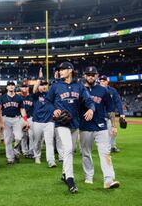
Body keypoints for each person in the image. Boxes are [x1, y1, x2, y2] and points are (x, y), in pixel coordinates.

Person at [46, 62, 95, 194]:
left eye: (63, 69)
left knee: (71, 150)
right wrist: (54, 110)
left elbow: (88, 100)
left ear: (70, 70)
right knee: (67, 148)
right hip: (61, 123)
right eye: (59, 70)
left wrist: (91, 108)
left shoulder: (79, 86)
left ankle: (63, 174)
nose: (60, 72)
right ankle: (70, 179)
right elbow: (48, 101)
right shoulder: (55, 86)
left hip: (75, 123)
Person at [80, 66, 120, 189]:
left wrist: (113, 125)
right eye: (88, 74)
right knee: (86, 153)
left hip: (101, 126)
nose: (91, 76)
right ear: (84, 75)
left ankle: (108, 179)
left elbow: (111, 109)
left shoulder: (103, 91)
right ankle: (88, 176)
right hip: (85, 126)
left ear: (97, 75)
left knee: (105, 153)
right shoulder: (80, 89)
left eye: (93, 74)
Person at [0, 80, 29, 164]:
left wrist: (26, 120)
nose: (11, 86)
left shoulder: (19, 97)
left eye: (12, 85)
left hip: (17, 119)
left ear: (14, 87)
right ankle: (10, 159)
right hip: (6, 119)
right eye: (9, 85)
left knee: (19, 137)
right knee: (7, 140)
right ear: (7, 87)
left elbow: (22, 109)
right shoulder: (2, 97)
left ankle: (16, 152)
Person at [32, 68, 56, 167]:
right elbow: (34, 89)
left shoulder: (51, 95)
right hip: (37, 121)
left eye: (45, 84)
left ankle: (51, 160)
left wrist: (57, 79)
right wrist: (40, 78)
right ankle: (37, 156)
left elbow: (56, 89)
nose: (43, 86)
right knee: (37, 141)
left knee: (49, 142)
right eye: (42, 85)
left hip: (49, 121)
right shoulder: (37, 95)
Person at [99, 75, 125, 153]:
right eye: (101, 81)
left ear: (107, 81)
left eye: (104, 80)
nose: (102, 82)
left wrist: (121, 113)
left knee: (113, 132)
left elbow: (118, 102)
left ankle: (112, 146)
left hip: (110, 115)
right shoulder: (96, 90)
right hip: (99, 115)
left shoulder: (112, 91)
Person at [19, 81, 34, 159]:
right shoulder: (18, 97)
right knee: (23, 136)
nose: (24, 88)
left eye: (26, 87)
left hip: (31, 118)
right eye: (23, 86)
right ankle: (25, 152)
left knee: (31, 136)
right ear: (20, 88)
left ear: (28, 88)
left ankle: (31, 152)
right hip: (21, 118)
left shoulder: (32, 97)